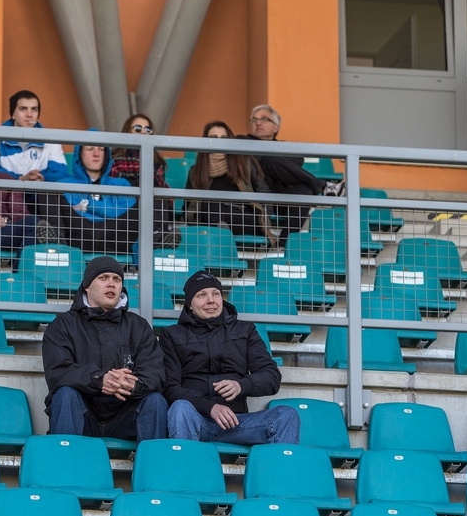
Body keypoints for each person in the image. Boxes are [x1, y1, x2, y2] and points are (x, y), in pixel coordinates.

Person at [159, 271, 300, 445]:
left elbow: (271, 376)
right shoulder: (172, 335)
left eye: (216, 294)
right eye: (202, 295)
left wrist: (242, 385)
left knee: (286, 415)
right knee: (180, 408)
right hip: (196, 420)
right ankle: (186, 463)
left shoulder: (245, 331)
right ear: (190, 304)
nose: (211, 300)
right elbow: (169, 388)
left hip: (238, 423)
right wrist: (210, 407)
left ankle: (280, 465)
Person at [42, 256, 168, 442]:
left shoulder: (138, 326)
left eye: (117, 279)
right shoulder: (62, 325)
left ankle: (154, 461)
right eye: (103, 278)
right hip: (83, 413)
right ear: (87, 286)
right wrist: (100, 380)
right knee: (65, 394)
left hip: (125, 414)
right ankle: (65, 459)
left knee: (155, 400)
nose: (111, 284)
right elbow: (58, 372)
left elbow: (155, 371)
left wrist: (133, 385)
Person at [240, 104, 341, 238]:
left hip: (280, 197)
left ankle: (284, 242)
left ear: (276, 127)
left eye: (264, 119)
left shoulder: (285, 147)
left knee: (305, 190)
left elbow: (298, 161)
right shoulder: (241, 141)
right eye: (254, 120)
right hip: (254, 196)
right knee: (269, 159)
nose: (258, 123)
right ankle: (323, 186)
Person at [37, 138, 140, 255]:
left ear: (107, 155)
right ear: (79, 154)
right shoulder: (64, 185)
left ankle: (156, 240)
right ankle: (57, 243)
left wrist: (87, 206)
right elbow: (67, 215)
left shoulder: (121, 184)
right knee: (47, 192)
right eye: (90, 149)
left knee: (150, 200)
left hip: (115, 235)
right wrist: (106, 211)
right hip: (79, 234)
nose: (96, 154)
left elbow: (125, 212)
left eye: (101, 149)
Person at [186, 120, 270, 238]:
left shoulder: (244, 163)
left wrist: (266, 215)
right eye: (213, 138)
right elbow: (188, 204)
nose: (219, 142)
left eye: (224, 138)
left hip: (243, 216)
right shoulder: (196, 171)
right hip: (211, 215)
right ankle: (222, 231)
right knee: (211, 200)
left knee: (214, 203)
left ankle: (222, 233)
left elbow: (263, 193)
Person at [109, 113, 178, 247]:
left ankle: (158, 235)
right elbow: (116, 186)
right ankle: (157, 237)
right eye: (138, 128)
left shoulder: (157, 160)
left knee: (157, 193)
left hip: (151, 210)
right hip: (123, 209)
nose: (143, 132)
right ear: (127, 131)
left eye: (148, 129)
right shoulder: (114, 158)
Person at [0, 89, 69, 183]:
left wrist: (41, 178)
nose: (29, 115)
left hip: (41, 191)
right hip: (7, 192)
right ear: (13, 114)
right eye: (23, 109)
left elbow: (61, 172)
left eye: (34, 109)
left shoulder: (51, 141)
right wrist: (20, 179)